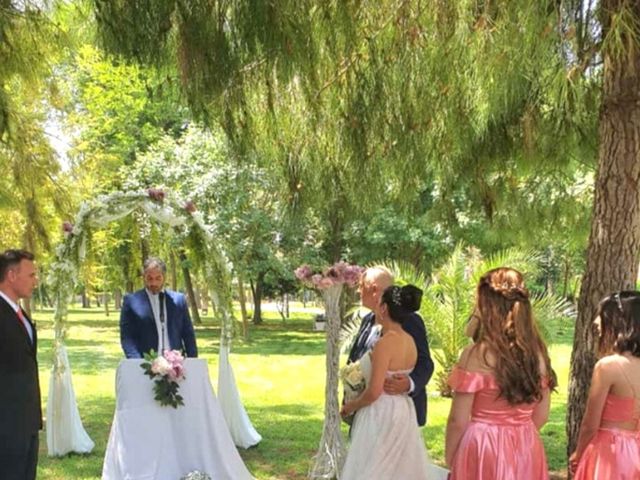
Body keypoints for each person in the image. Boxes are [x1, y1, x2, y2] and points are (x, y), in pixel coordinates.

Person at [445, 267, 555, 480]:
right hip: (525, 444)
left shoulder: (475, 355)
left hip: (483, 447)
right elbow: (541, 415)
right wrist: (516, 434)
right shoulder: (538, 353)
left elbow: (457, 420)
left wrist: (452, 460)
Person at [340, 284, 433, 479]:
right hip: (403, 409)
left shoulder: (385, 344)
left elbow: (374, 392)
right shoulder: (409, 341)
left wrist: (352, 406)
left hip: (381, 412)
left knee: (374, 465)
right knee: (398, 467)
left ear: (383, 308)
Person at [347, 266, 434, 426]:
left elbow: (426, 363)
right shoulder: (367, 320)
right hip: (366, 412)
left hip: (396, 414)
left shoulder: (409, 320)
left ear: (373, 288)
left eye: (361, 286)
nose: (359, 291)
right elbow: (356, 357)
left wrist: (410, 383)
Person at [569, 291, 640, 479]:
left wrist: (578, 454)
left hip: (610, 453)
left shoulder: (608, 367)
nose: (596, 322)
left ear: (618, 322)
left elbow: (590, 424)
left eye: (602, 315)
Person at [0, 249, 41, 480]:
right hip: (5, 425)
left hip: (25, 422)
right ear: (12, 275)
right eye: (31, 275)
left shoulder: (19, 312)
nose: (35, 281)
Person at [120, 257, 197, 358]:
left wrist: (193, 362)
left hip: (175, 367)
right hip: (145, 366)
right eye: (149, 278)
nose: (154, 283)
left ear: (164, 277)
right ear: (144, 277)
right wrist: (137, 364)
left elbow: (188, 335)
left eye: (158, 278)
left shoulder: (179, 301)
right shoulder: (131, 302)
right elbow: (127, 338)